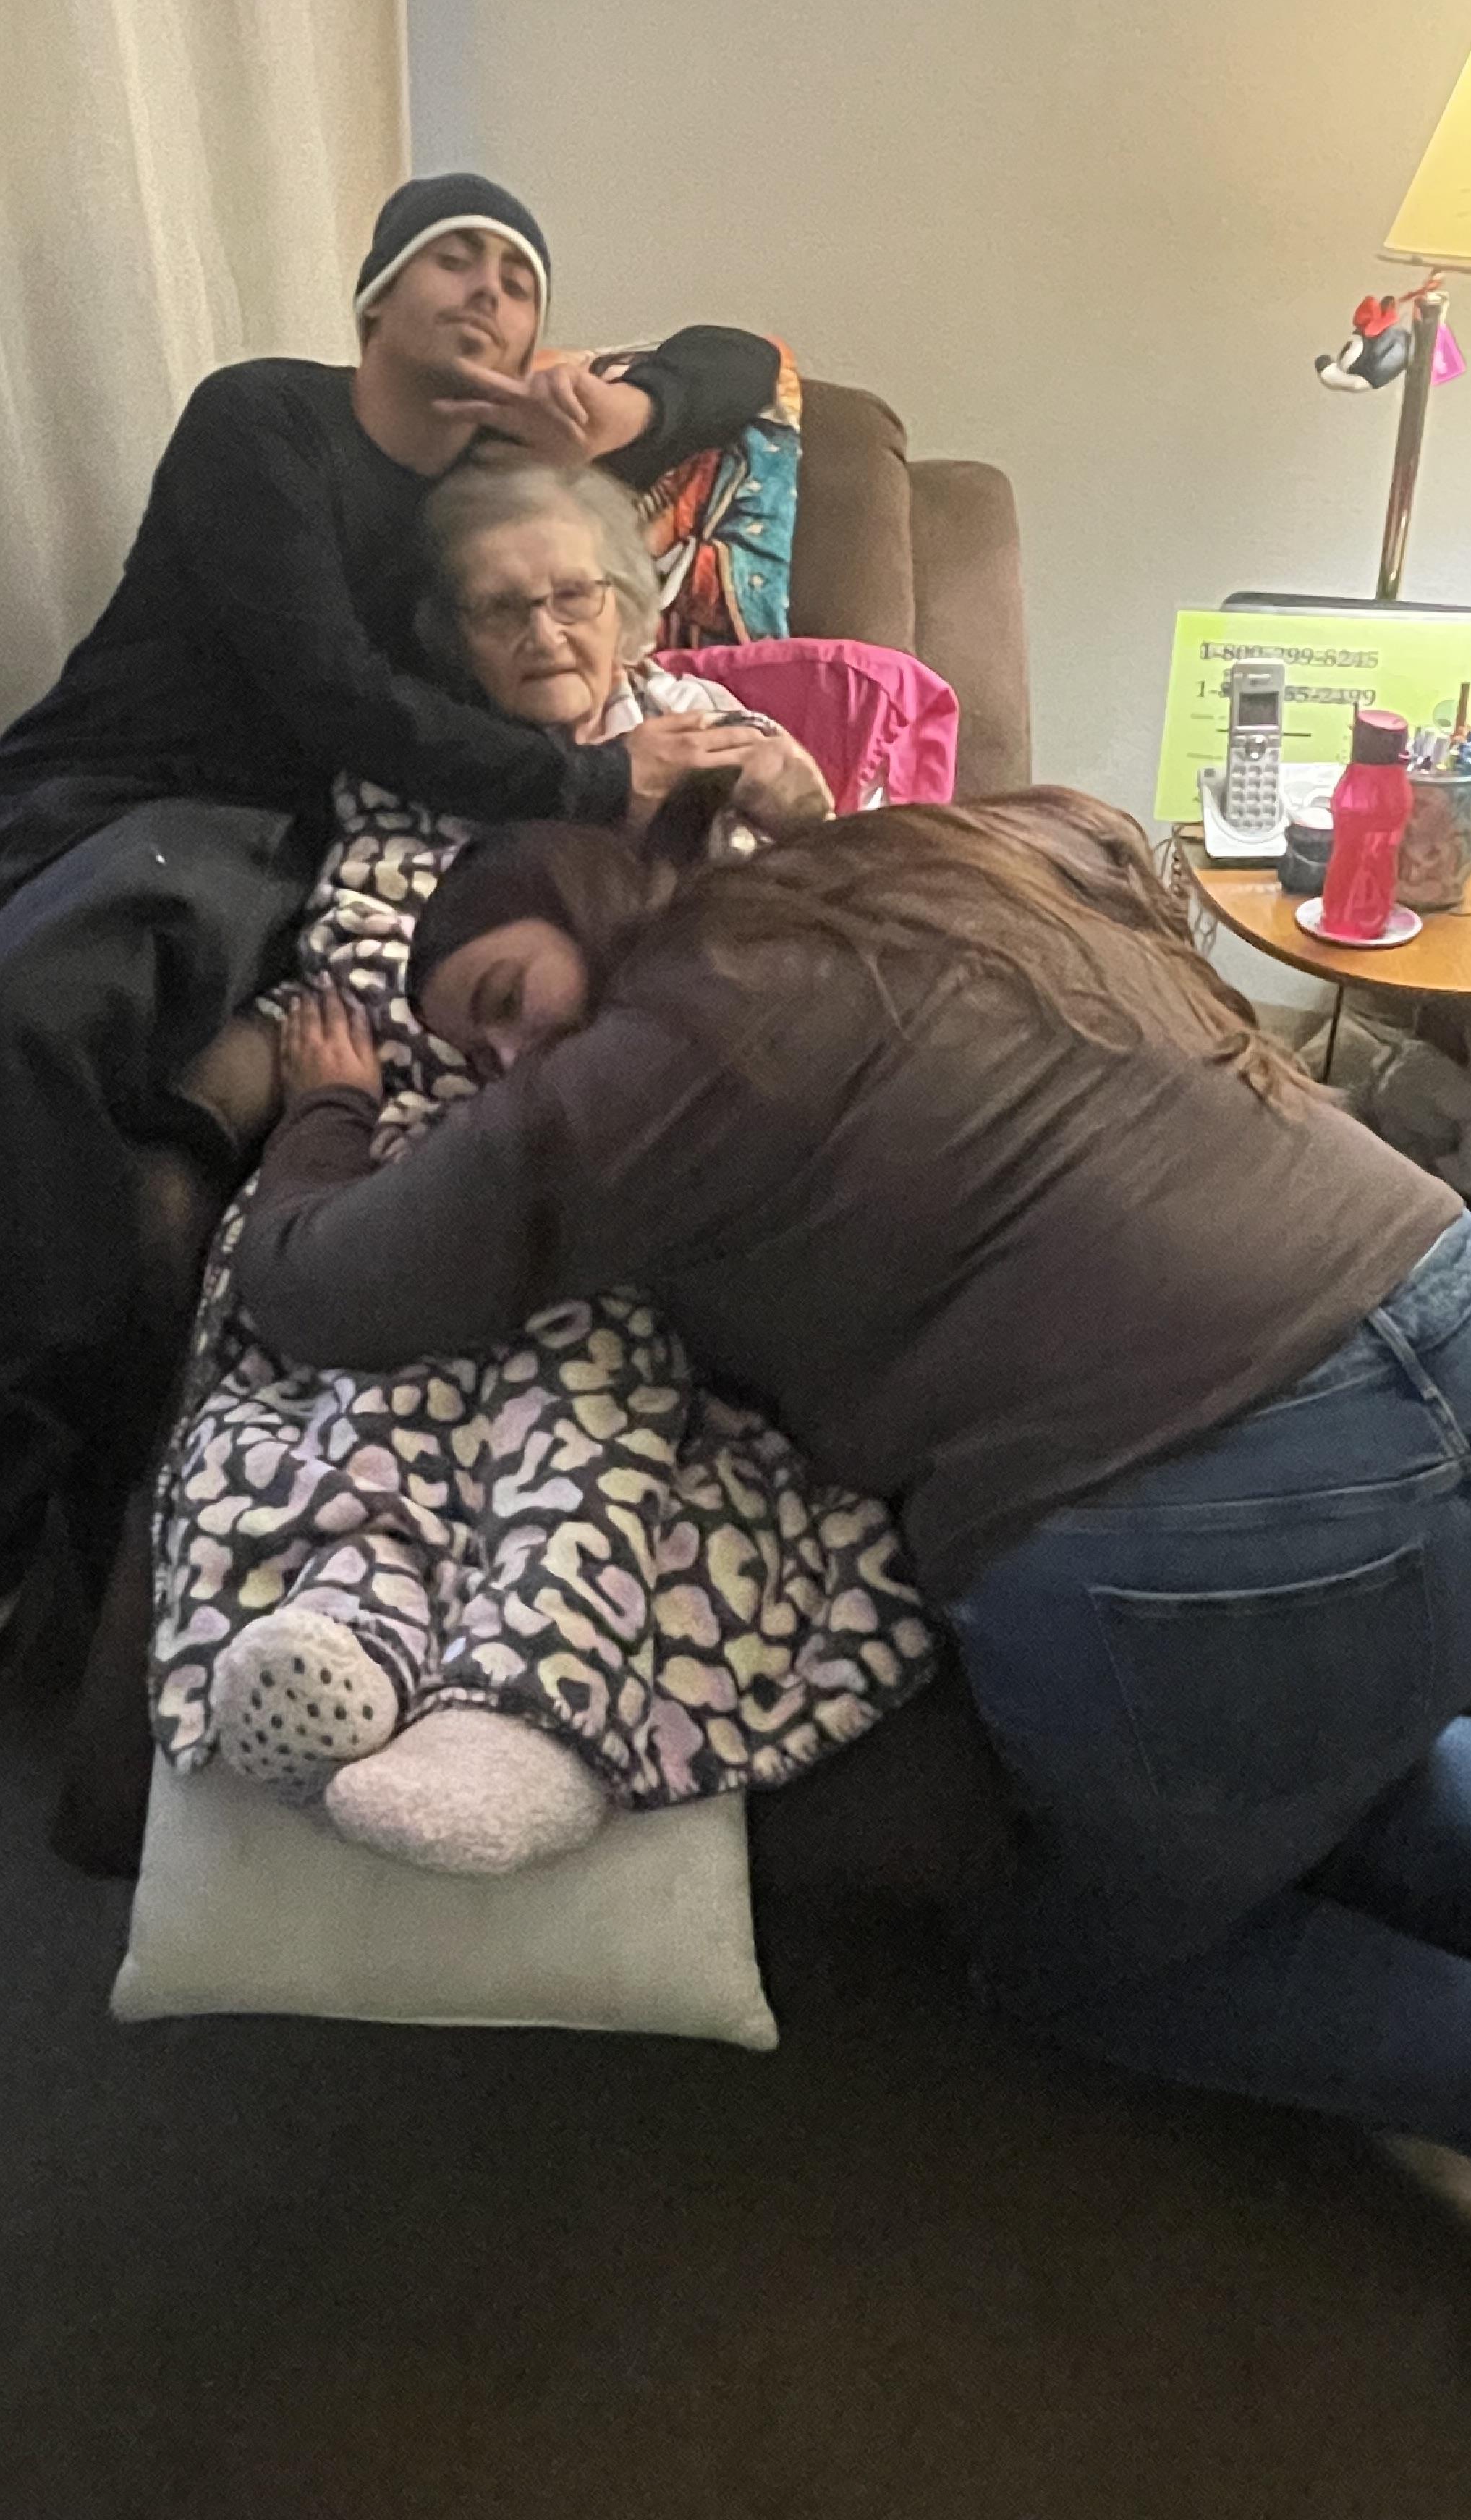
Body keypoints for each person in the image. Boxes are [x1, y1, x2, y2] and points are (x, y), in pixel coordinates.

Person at [231, 798, 1471, 2221]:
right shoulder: (913, 870)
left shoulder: (644, 1067)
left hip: (1239, 1538)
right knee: (1350, 1777)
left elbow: (320, 1287)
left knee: (1082, 1965)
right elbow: (1103, 835)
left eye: (508, 1000)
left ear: (591, 902)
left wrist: (326, 1110)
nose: (512, 1062)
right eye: (479, 1057)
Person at [0, 171, 779, 1844]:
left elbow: (749, 362)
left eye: (519, 275)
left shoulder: (501, 487)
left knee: (22, 1032)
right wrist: (594, 778)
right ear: (373, 301)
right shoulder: (264, 422)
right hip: (71, 777)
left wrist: (635, 401)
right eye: (452, 259)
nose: (489, 292)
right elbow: (331, 687)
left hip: (239, 826)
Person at [150, 461, 920, 1877]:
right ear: (453, 637)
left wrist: (801, 811)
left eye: (573, 595)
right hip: (428, 1118)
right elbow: (364, 972)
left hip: (651, 1143)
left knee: (591, 1354)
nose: (546, 632)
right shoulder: (410, 765)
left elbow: (839, 934)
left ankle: (530, 1702)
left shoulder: (719, 741)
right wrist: (359, 1111)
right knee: (376, 1365)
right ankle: (349, 1633)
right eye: (502, 610)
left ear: (629, 605)